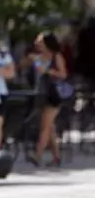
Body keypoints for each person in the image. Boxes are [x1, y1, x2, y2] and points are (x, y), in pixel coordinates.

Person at [28, 31, 69, 167]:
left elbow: (63, 74)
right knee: (50, 127)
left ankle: (38, 154)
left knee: (44, 126)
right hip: (43, 94)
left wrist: (48, 72)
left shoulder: (56, 56)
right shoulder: (38, 57)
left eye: (40, 42)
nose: (37, 44)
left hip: (53, 95)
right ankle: (56, 157)